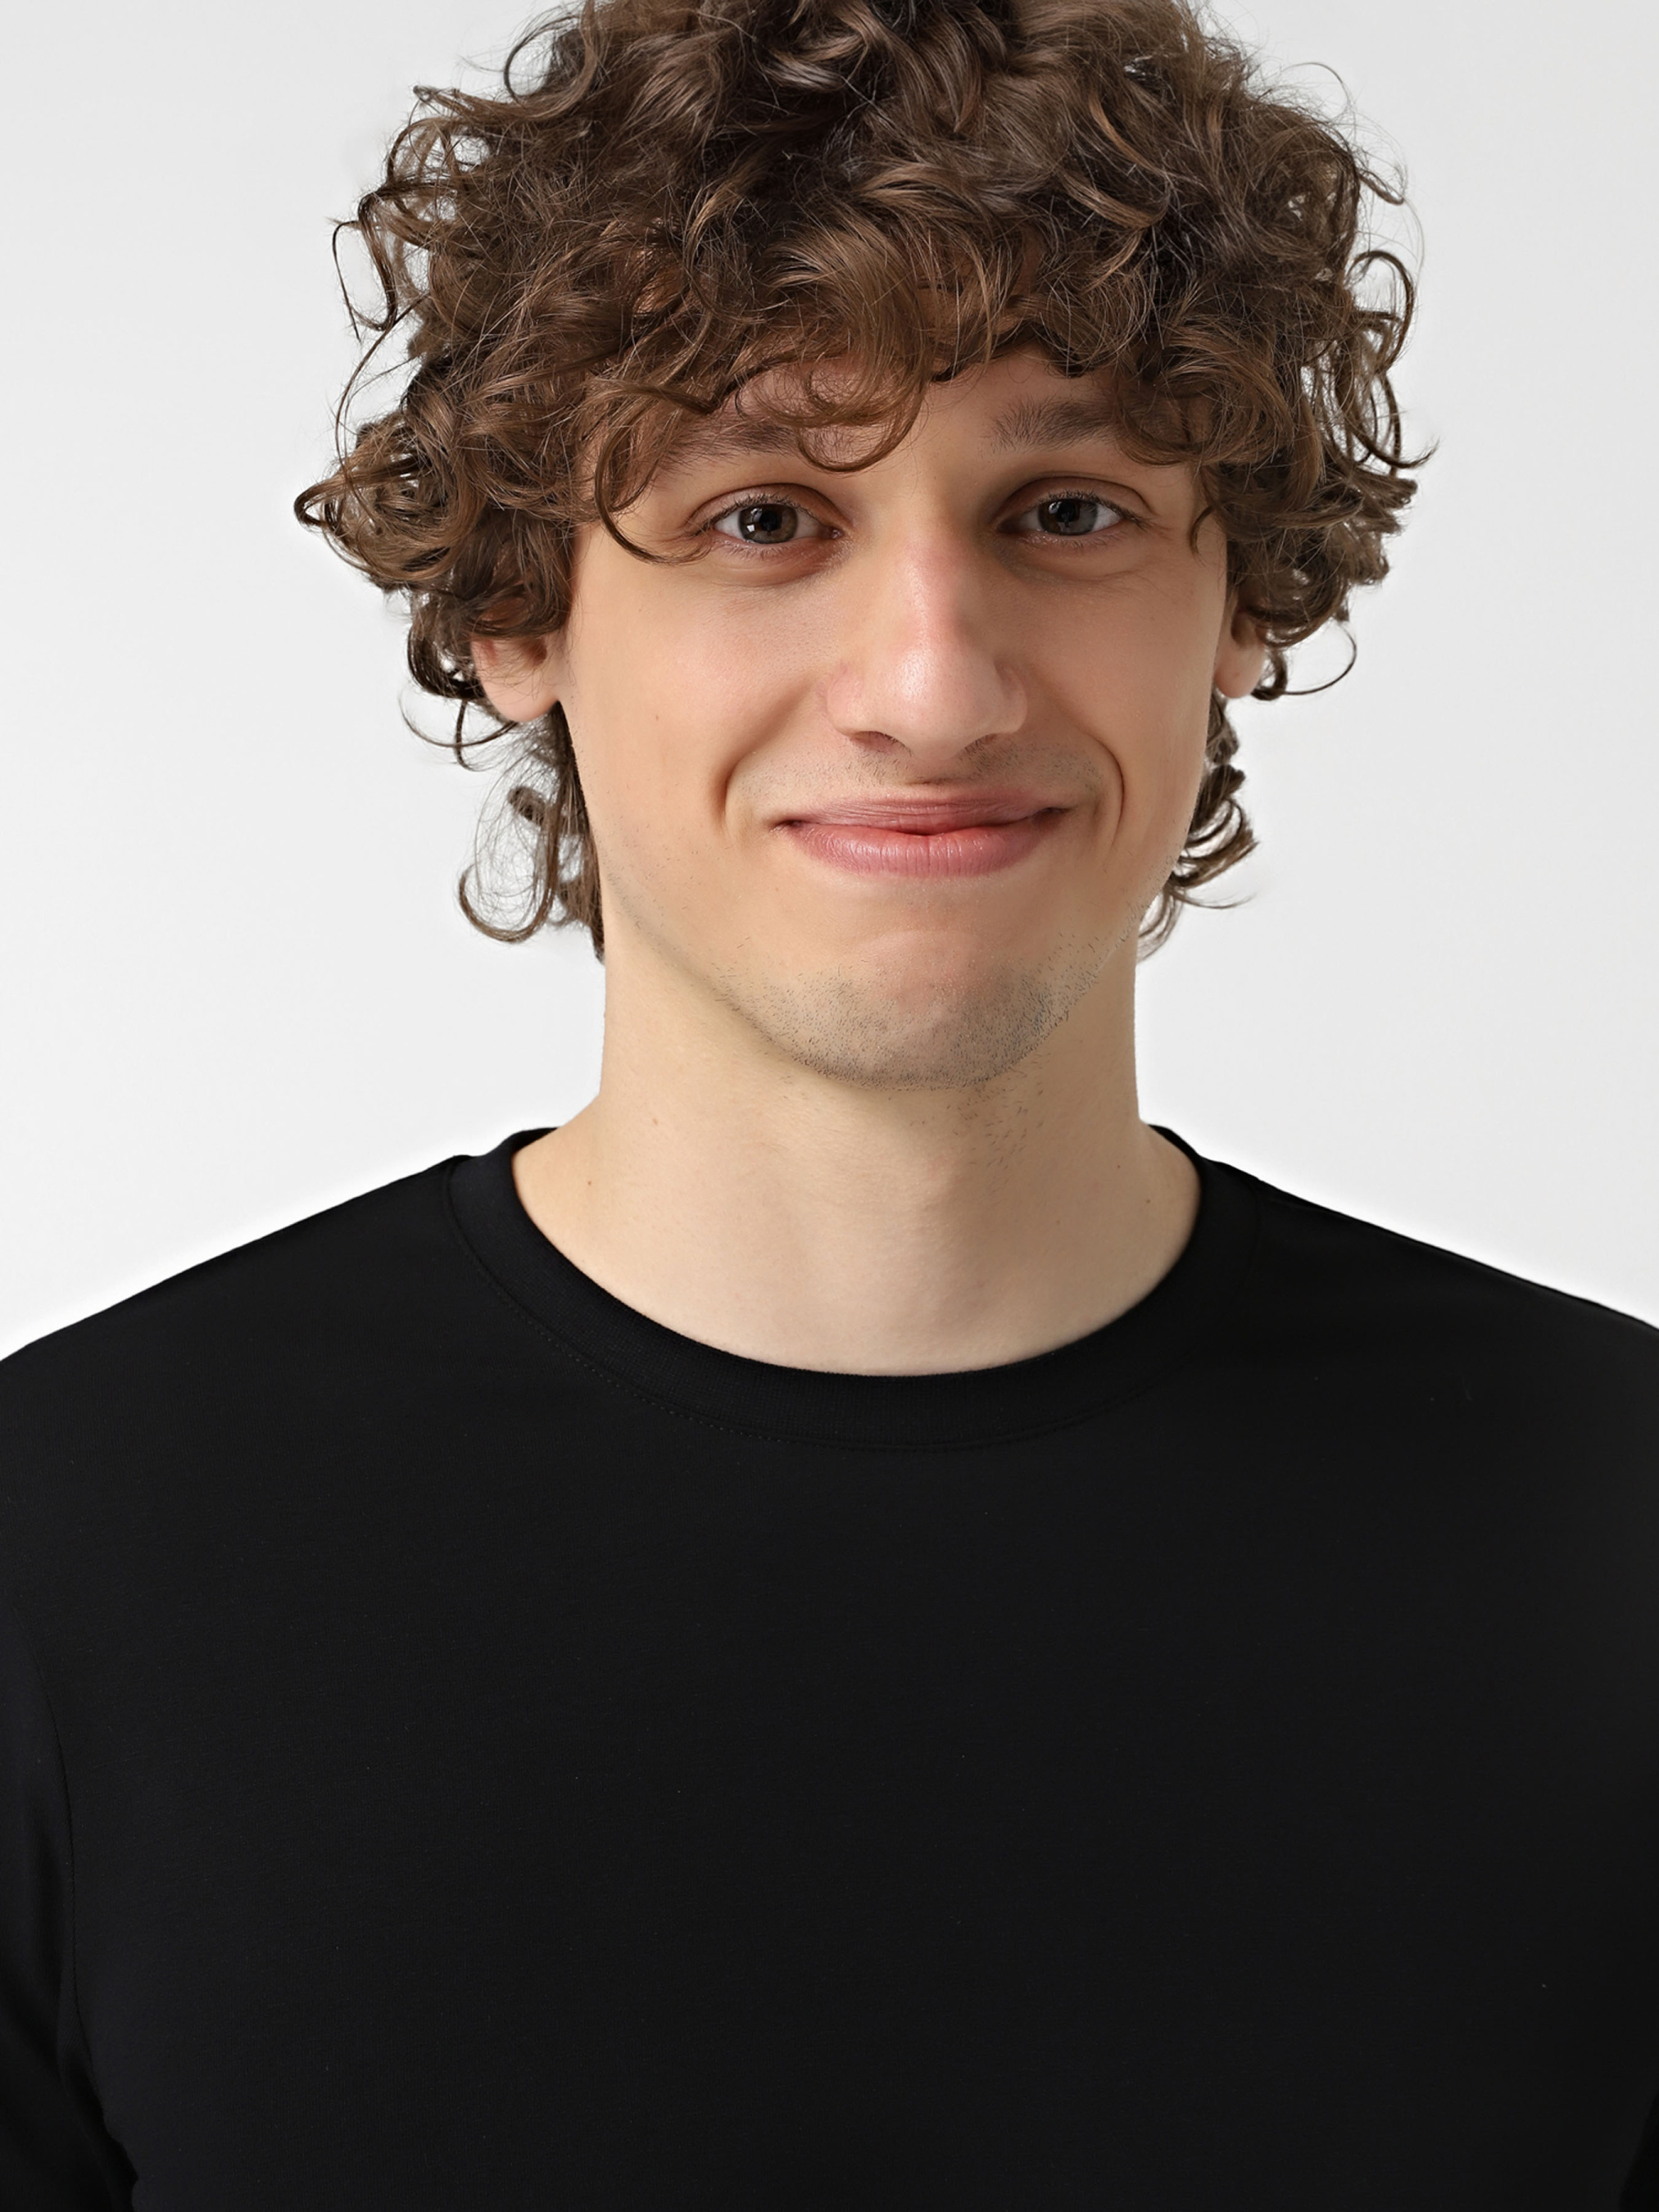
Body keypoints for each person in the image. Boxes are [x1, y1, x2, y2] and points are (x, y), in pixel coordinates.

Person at [2, 0, 1656, 2202]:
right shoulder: (62, 1569)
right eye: (766, 513)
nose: (934, 687)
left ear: (1236, 600)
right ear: (518, 606)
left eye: (1066, 508)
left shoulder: (1616, 1538)